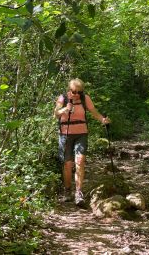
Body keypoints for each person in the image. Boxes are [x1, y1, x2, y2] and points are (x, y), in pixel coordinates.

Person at [54, 78, 110, 206]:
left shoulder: (85, 98)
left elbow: (94, 112)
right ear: (70, 90)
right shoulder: (63, 98)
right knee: (67, 164)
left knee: (80, 161)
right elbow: (56, 113)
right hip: (65, 134)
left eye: (80, 92)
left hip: (81, 134)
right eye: (74, 92)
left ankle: (79, 192)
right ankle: (67, 190)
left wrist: (103, 120)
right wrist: (64, 110)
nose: (77, 94)